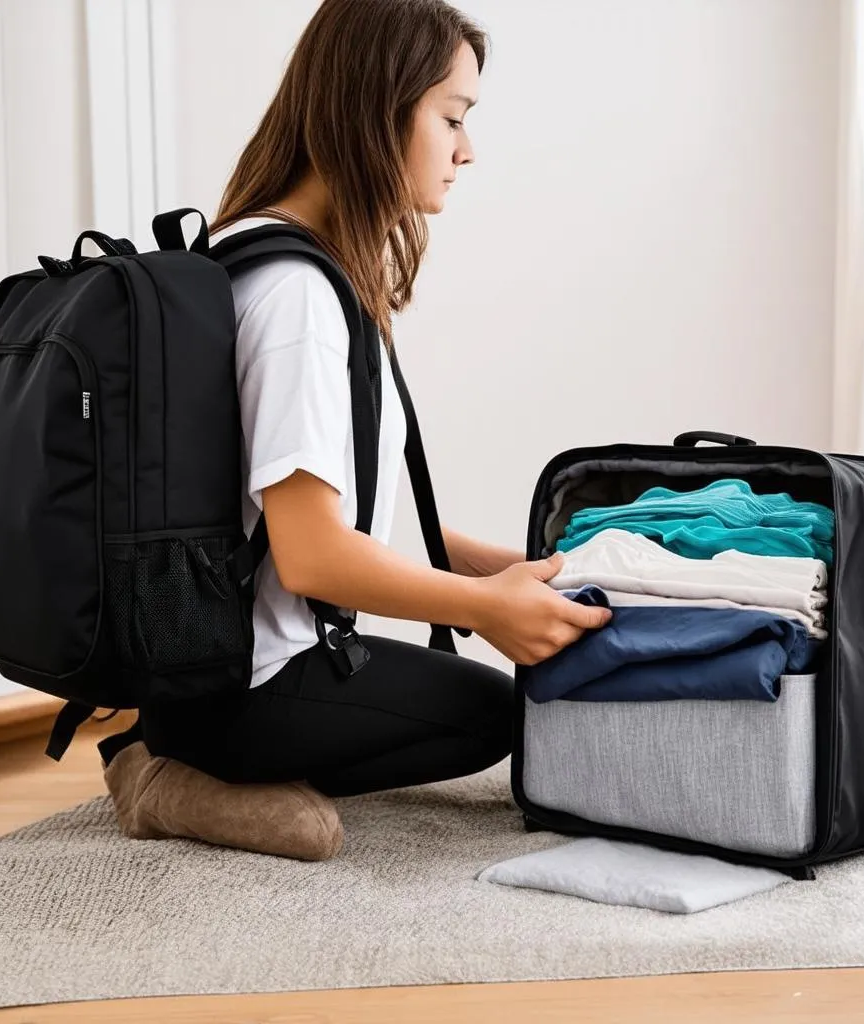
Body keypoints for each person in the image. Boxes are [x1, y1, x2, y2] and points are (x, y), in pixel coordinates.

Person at [101, 0, 612, 860]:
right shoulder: (297, 297)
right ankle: (165, 777)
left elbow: (336, 516)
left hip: (202, 669)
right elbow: (312, 557)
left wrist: (503, 571)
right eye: (451, 117)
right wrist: (483, 609)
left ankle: (186, 755)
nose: (466, 149)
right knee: (493, 714)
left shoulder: (251, 249)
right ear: (379, 107)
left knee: (473, 697)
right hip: (249, 684)